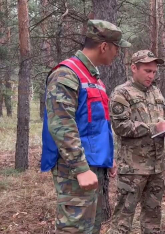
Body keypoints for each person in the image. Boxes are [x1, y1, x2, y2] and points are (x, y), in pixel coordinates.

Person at [41, 19, 132, 233]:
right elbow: (61, 125)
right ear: (104, 46)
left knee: (91, 227)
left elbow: (97, 124)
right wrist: (81, 168)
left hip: (94, 165)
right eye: (117, 48)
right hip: (75, 168)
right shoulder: (66, 74)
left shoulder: (94, 78)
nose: (118, 53)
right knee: (75, 228)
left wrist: (108, 159)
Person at [108, 50, 165, 234]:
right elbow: (121, 127)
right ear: (134, 68)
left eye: (154, 72)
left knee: (153, 218)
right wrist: (155, 127)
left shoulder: (156, 92)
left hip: (156, 166)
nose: (151, 75)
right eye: (147, 71)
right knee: (122, 219)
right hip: (133, 169)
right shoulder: (122, 93)